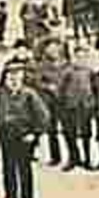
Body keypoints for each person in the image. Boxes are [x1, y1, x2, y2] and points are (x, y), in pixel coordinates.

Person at [0, 59, 49, 198]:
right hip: (6, 136)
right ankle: (10, 197)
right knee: (8, 168)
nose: (13, 79)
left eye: (17, 75)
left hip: (24, 137)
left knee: (24, 169)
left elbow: (43, 116)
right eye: (10, 76)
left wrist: (34, 134)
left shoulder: (29, 95)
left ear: (22, 77)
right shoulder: (1, 94)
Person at [58, 43, 97, 171]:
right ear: (74, 57)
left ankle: (87, 159)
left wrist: (92, 103)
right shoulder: (67, 71)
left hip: (85, 107)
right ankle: (73, 158)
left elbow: (95, 88)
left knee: (86, 134)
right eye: (78, 57)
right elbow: (61, 89)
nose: (80, 60)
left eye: (83, 57)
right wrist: (63, 105)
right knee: (70, 134)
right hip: (71, 107)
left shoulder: (89, 72)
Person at [34, 38, 68, 166]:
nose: (53, 52)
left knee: (68, 130)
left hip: (64, 101)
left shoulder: (66, 64)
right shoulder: (42, 66)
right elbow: (38, 82)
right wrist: (48, 87)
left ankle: (74, 157)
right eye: (50, 49)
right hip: (49, 101)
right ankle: (56, 157)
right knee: (52, 130)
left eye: (56, 49)